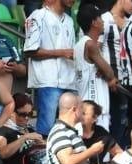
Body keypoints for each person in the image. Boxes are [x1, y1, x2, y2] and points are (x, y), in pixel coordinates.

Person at [24, 0, 77, 138]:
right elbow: (30, 51)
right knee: (46, 130)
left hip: (69, 81)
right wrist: (61, 52)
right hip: (48, 81)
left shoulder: (69, 20)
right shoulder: (37, 16)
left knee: (70, 129)